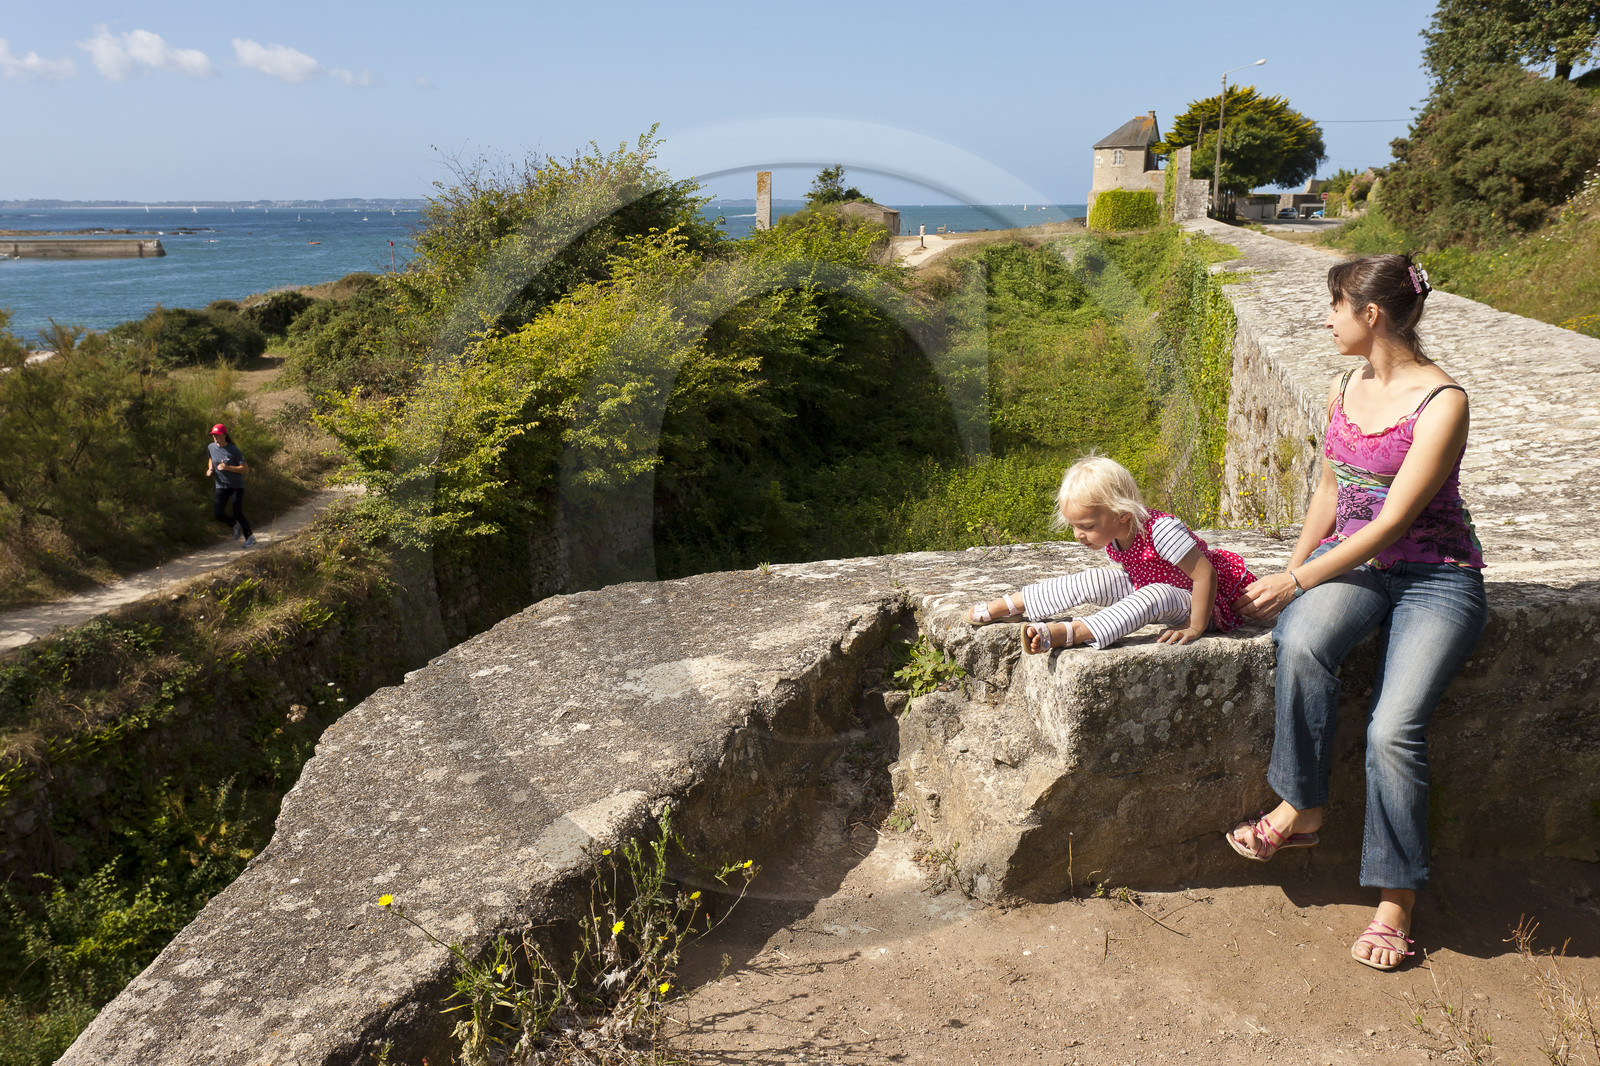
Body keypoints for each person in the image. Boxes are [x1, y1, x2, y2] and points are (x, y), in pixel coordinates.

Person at [1229, 254, 1487, 972]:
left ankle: (1395, 899)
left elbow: (1391, 521)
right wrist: (1291, 573)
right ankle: (1302, 809)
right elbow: (1330, 495)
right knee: (1302, 637)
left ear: (1370, 315)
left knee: (1391, 730)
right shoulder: (1347, 384)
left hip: (1437, 577)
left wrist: (1301, 577)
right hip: (1360, 567)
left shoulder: (1442, 402)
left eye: (1335, 306)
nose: (1326, 319)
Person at [968, 455, 1256, 651]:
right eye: (1074, 526)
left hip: (1205, 603)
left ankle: (1075, 632)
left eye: (1087, 526)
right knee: (1093, 579)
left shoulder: (1162, 531)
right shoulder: (1116, 538)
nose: (1078, 535)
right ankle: (1014, 605)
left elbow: (1205, 575)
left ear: (1121, 514)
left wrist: (1196, 627)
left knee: (1155, 593)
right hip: (1164, 592)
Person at [207, 423, 256, 547]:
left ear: (224, 435)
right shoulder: (211, 447)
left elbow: (245, 469)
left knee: (238, 512)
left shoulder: (233, 450)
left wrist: (228, 467)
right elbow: (211, 459)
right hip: (221, 485)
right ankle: (235, 524)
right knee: (218, 513)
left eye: (217, 435)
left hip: (236, 486)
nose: (215, 437)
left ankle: (250, 537)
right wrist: (210, 469)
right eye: (213, 435)